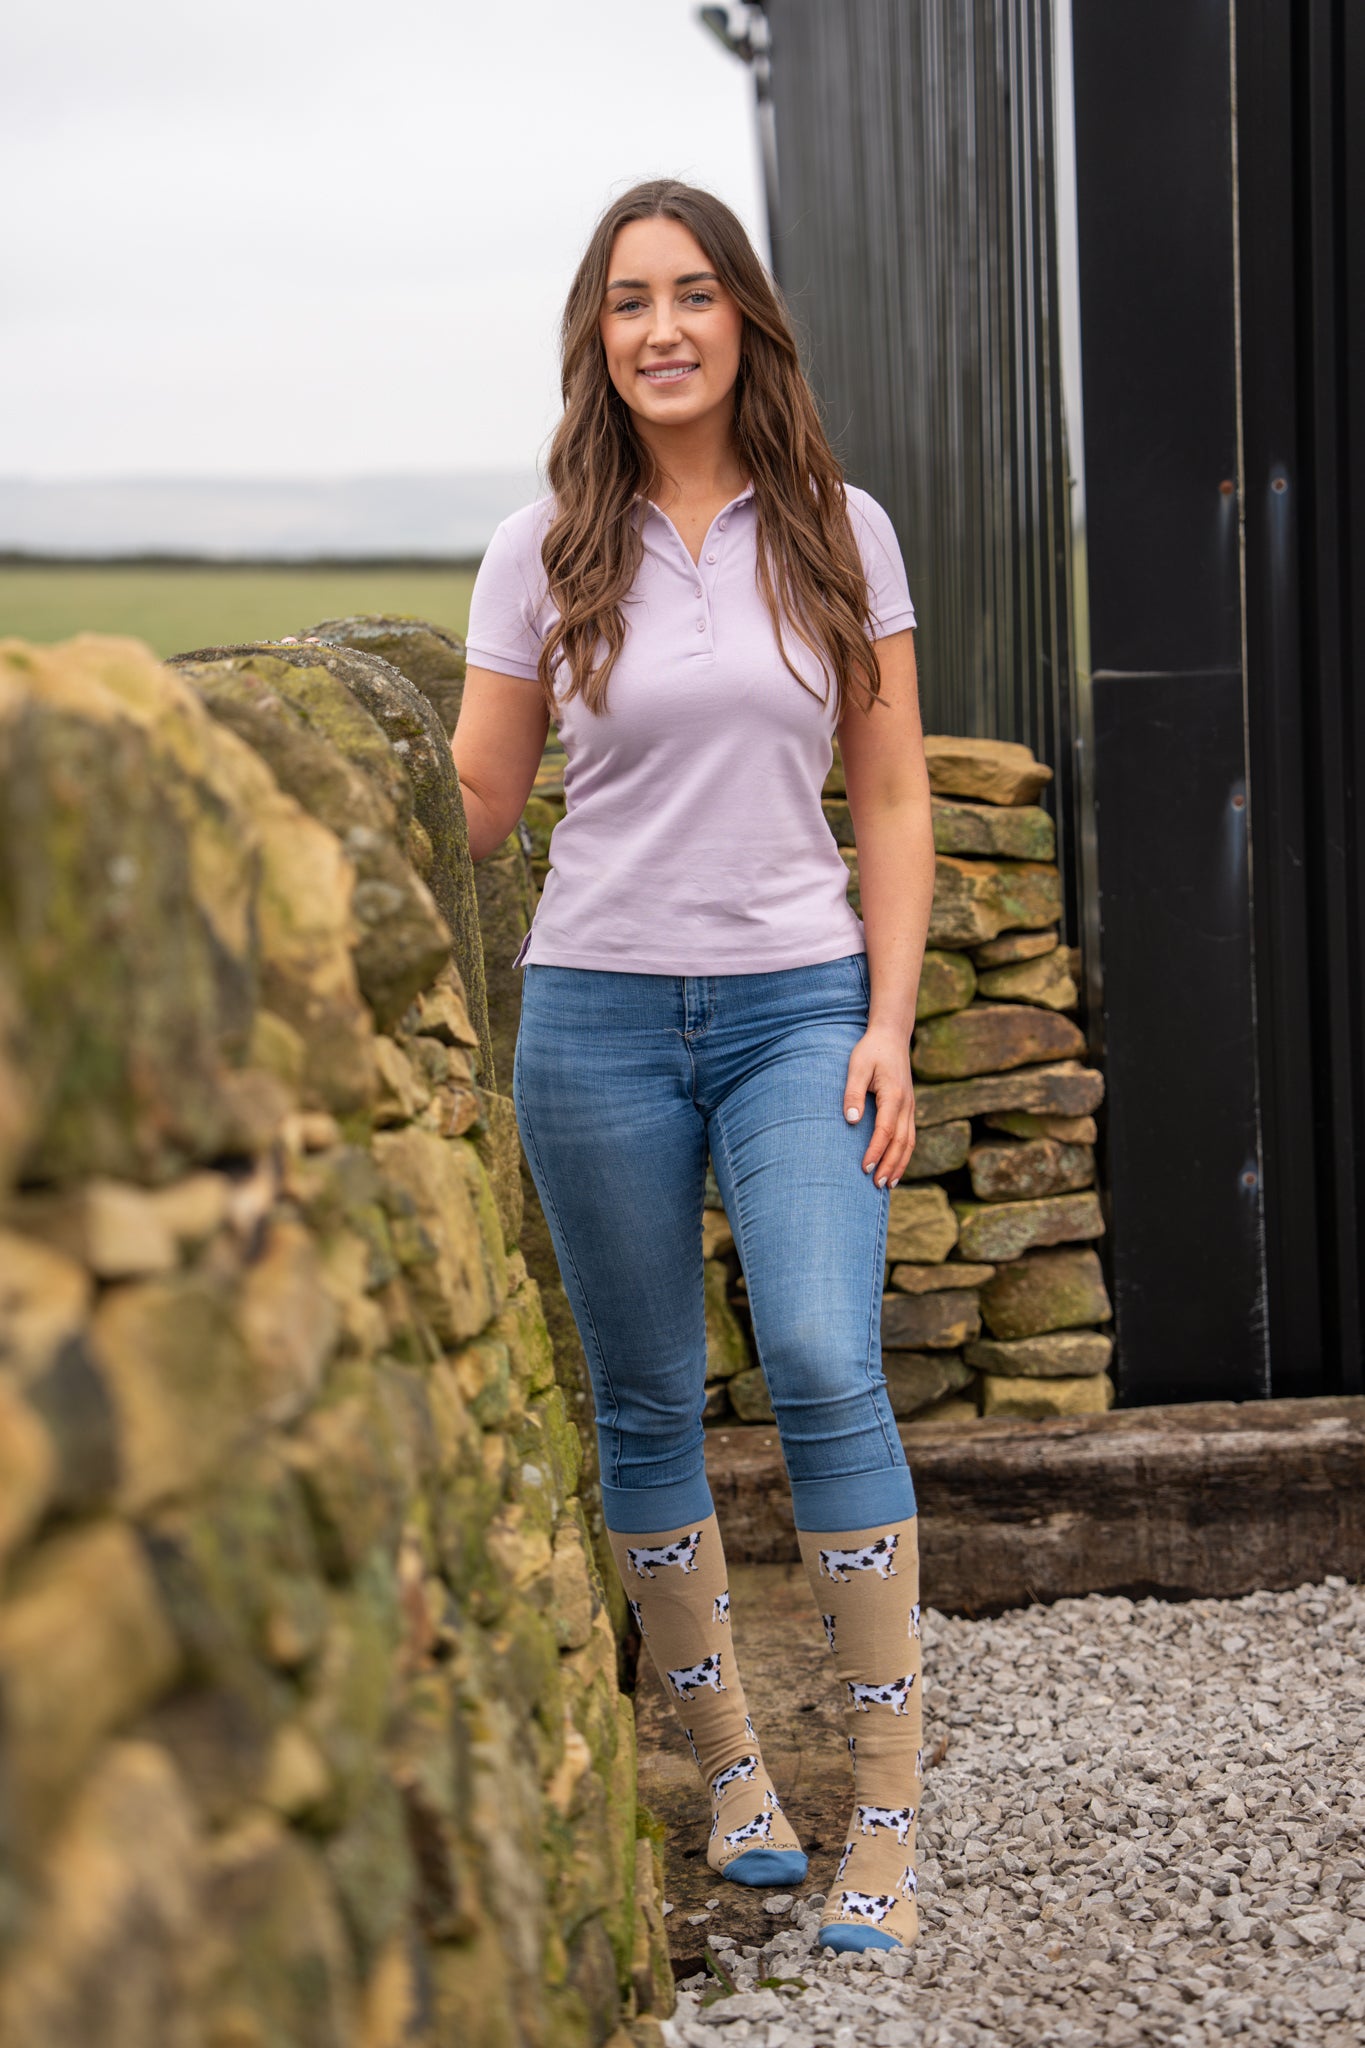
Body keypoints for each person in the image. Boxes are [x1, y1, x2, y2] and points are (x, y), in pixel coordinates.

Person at [453, 178, 937, 1953]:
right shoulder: (542, 546)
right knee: (646, 1402)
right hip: (591, 1013)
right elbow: (482, 805)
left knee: (819, 1354)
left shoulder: (840, 529)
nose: (660, 328)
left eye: (691, 294)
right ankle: (734, 1769)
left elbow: (888, 793)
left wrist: (886, 1022)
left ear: (744, 320)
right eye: (625, 301)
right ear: (597, 336)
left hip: (800, 1004)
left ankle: (883, 1821)